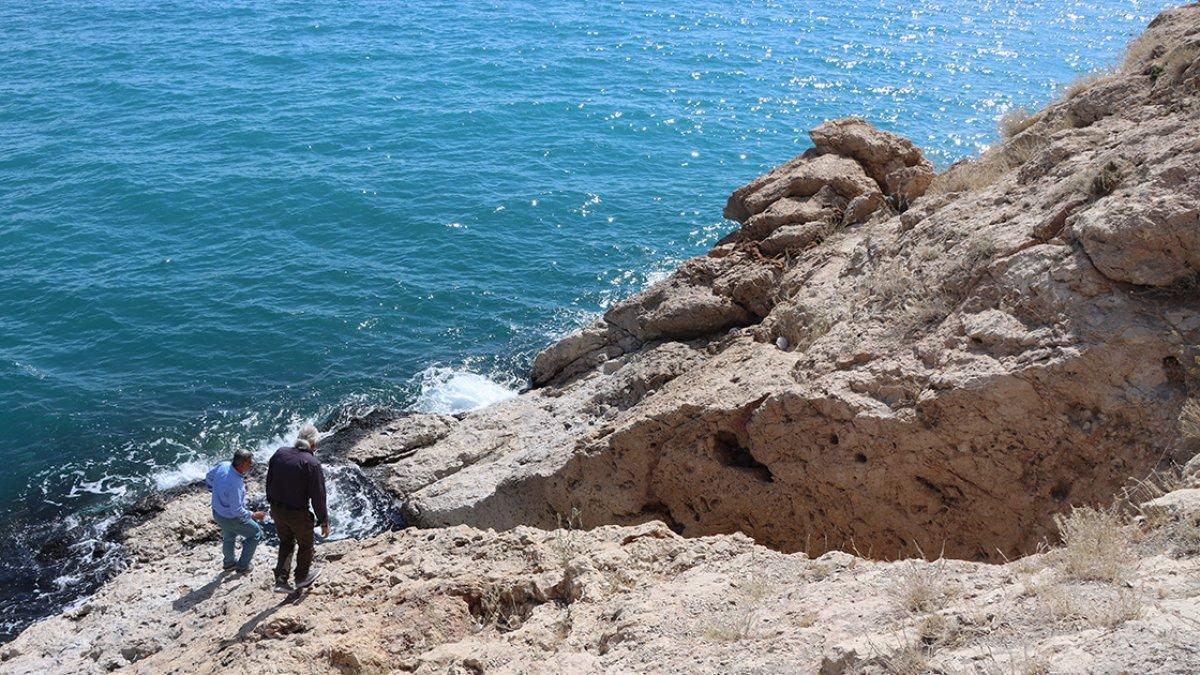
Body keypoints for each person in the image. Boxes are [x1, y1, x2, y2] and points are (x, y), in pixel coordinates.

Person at [266, 424, 329, 593]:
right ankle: (301, 578)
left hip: (276, 509)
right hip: (297, 512)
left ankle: (281, 580)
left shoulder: (280, 453)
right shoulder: (312, 463)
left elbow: (269, 480)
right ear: (313, 444)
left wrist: (271, 503)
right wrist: (323, 520)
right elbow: (318, 496)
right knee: (305, 544)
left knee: (286, 542)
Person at [204, 449, 265, 573]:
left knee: (229, 537)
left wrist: (215, 490)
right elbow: (237, 510)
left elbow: (209, 477)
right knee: (255, 533)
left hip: (218, 513)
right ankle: (243, 567)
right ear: (242, 464)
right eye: (249, 462)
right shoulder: (234, 484)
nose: (251, 464)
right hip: (231, 518)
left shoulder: (224, 465)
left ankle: (229, 564)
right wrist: (253, 515)